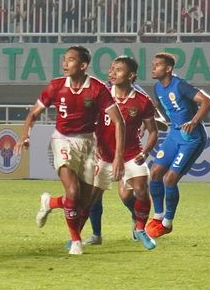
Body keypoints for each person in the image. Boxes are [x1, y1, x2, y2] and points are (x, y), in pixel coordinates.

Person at [37, 56, 159, 250]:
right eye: (111, 69)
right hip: (102, 156)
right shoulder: (100, 94)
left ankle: (140, 229)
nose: (111, 72)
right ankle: (68, 225)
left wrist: (146, 152)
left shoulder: (142, 101)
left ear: (131, 75)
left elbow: (153, 130)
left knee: (141, 190)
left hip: (130, 155)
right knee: (85, 201)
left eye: (117, 69)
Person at [15, 46, 124, 255]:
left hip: (88, 143)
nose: (65, 64)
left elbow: (119, 122)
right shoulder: (56, 86)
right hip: (62, 140)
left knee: (83, 202)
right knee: (72, 191)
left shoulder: (97, 88)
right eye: (64, 59)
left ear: (82, 65)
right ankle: (76, 241)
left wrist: (118, 156)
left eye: (71, 60)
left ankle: (50, 202)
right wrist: (25, 135)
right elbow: (33, 113)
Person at [145, 52, 210, 239]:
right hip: (174, 134)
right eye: (153, 64)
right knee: (155, 173)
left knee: (169, 179)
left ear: (168, 69)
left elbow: (207, 101)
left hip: (191, 138)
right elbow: (167, 113)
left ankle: (167, 223)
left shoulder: (180, 85)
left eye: (157, 65)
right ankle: (158, 216)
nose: (153, 68)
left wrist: (194, 121)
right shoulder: (158, 88)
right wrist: (155, 116)